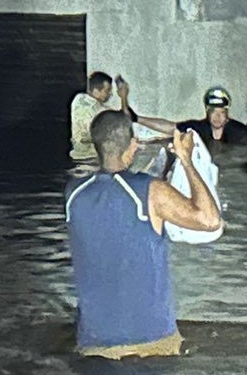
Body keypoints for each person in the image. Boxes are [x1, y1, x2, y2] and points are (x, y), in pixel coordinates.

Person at [66, 112, 222, 359]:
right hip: (152, 343)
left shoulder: (74, 194)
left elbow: (117, 208)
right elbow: (210, 220)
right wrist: (186, 160)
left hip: (93, 343)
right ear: (132, 145)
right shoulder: (152, 192)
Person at [177, 86, 247, 148]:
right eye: (213, 112)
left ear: (227, 114)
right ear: (207, 113)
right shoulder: (200, 129)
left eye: (221, 112)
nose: (217, 116)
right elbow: (173, 128)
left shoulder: (239, 132)